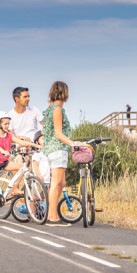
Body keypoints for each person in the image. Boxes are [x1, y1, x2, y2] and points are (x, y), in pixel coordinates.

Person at [0, 111, 37, 224]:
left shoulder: (8, 136)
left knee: (22, 167)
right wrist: (2, 150)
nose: (8, 126)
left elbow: (21, 142)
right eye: (5, 124)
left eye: (8, 123)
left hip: (4, 162)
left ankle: (14, 188)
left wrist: (37, 145)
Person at [41, 81, 80, 225]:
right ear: (64, 93)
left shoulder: (49, 109)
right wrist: (72, 143)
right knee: (56, 183)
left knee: (61, 183)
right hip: (58, 149)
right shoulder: (57, 109)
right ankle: (52, 216)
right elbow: (58, 133)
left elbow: (45, 131)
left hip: (50, 150)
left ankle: (53, 213)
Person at [8, 86, 43, 193]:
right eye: (25, 97)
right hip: (21, 146)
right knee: (21, 161)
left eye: (28, 96)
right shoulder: (10, 115)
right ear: (16, 99)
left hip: (35, 145)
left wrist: (42, 136)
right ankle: (14, 188)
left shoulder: (33, 110)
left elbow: (45, 125)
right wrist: (21, 138)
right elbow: (9, 137)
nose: (28, 99)